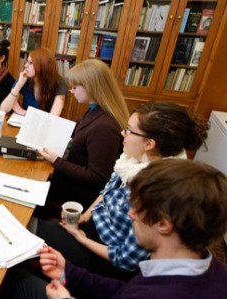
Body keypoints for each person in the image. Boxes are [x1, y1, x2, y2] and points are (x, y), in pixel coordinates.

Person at [34, 102, 209, 279]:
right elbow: (107, 190)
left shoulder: (158, 191)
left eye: (129, 130)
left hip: (102, 258)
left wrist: (81, 238)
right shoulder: (132, 160)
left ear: (149, 143)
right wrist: (85, 217)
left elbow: (125, 260)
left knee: (29, 231)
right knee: (30, 228)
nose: (122, 133)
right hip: (91, 229)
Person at [12, 159, 227, 299]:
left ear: (163, 224)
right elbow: (124, 291)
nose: (131, 214)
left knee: (14, 280)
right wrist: (70, 272)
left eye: (138, 209)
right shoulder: (208, 268)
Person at [35, 59, 129, 220]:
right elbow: (78, 129)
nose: (71, 91)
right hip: (71, 180)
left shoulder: (104, 127)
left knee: (30, 185)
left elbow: (97, 177)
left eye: (75, 87)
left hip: (79, 193)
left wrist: (56, 161)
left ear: (91, 87)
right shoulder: (95, 111)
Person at [0, 48, 67, 116]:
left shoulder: (59, 82)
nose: (25, 65)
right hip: (26, 120)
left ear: (43, 66)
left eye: (31, 63)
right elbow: (3, 109)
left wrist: (28, 114)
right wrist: (18, 85)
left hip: (46, 124)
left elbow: (54, 115)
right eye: (27, 62)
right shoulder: (25, 79)